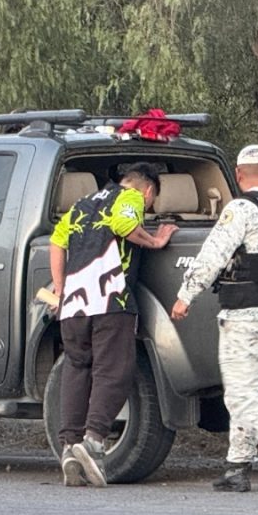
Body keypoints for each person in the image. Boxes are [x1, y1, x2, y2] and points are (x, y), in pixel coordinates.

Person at [170, 144, 258, 494]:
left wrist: (186, 295)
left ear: (238, 175)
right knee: (247, 389)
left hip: (245, 314)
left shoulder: (241, 209)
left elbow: (213, 254)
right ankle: (237, 467)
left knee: (242, 391)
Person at [50, 163, 178, 487]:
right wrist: (155, 241)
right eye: (150, 204)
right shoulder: (130, 197)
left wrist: (59, 286)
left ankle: (69, 446)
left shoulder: (83, 204)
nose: (146, 209)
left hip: (74, 305)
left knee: (77, 367)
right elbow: (123, 224)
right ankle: (93, 442)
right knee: (114, 370)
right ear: (147, 191)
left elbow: (56, 241)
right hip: (111, 301)